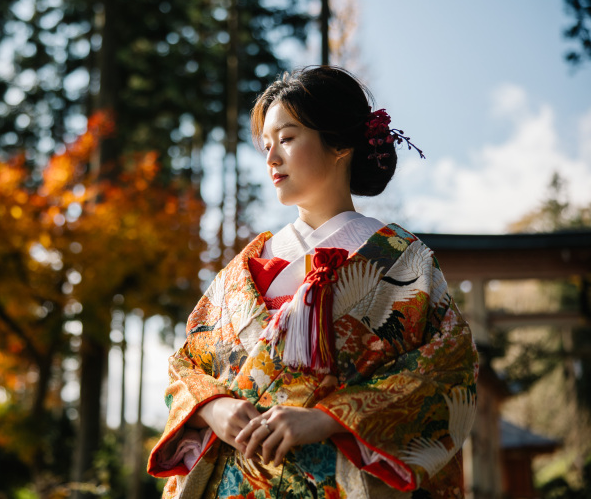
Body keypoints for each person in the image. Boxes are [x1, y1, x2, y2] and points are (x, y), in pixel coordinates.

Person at [147, 66, 479, 498]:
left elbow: (448, 369)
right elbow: (186, 364)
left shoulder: (404, 260)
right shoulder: (242, 269)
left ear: (340, 144)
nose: (271, 158)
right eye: (266, 145)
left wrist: (329, 418)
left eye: (286, 139)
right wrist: (214, 406)